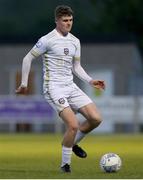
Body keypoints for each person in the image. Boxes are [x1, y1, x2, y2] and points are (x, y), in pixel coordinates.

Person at [16, 5, 105, 173]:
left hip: (70, 86)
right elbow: (27, 58)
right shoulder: (47, 39)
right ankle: (65, 165)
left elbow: (76, 66)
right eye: (65, 20)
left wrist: (90, 80)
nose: (68, 23)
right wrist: (24, 83)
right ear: (57, 21)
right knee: (73, 125)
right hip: (53, 88)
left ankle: (74, 143)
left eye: (70, 20)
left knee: (96, 118)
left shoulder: (75, 41)